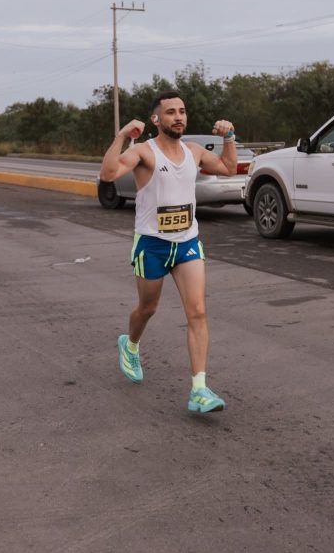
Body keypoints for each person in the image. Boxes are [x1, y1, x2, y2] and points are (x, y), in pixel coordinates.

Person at [99, 91, 237, 414]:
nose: (178, 117)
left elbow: (229, 168)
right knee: (148, 308)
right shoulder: (144, 152)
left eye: (182, 111)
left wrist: (229, 137)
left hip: (187, 242)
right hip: (152, 245)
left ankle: (199, 390)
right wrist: (122, 135)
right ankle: (131, 344)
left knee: (197, 311)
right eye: (171, 112)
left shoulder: (194, 152)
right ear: (156, 119)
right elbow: (108, 174)